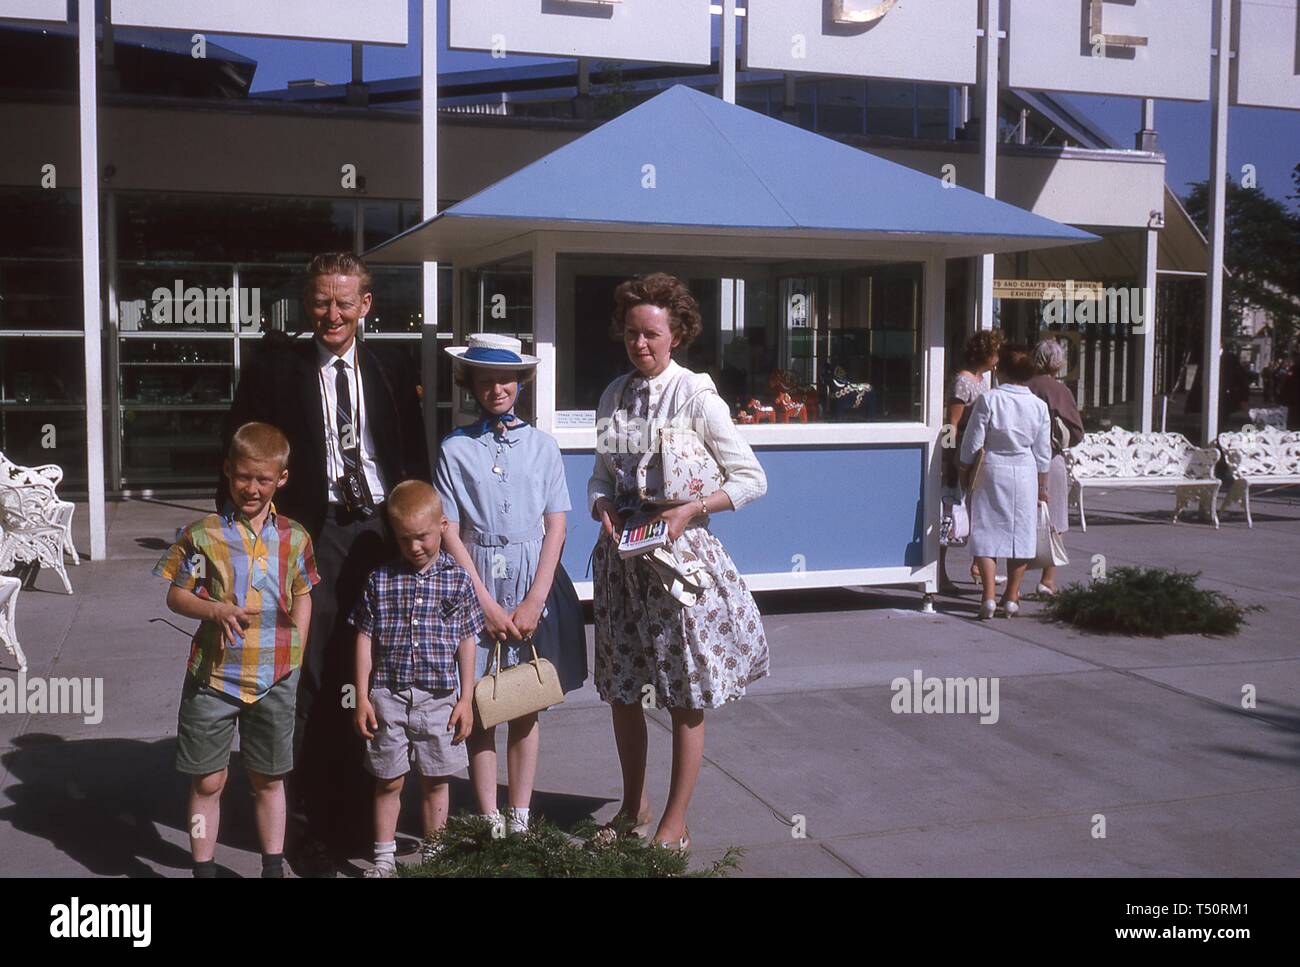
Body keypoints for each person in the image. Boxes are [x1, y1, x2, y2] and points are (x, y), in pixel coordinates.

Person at [222, 252, 430, 874]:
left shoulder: (392, 366)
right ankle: (308, 822)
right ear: (306, 302)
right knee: (311, 675)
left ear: (367, 305)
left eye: (345, 302)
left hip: (381, 535)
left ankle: (371, 813)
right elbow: (235, 459)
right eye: (321, 302)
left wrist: (423, 535)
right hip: (314, 535)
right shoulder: (274, 369)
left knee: (376, 676)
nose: (332, 315)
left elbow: (413, 456)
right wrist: (241, 548)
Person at [588, 273, 769, 850]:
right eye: (632, 333)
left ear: (677, 335)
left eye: (652, 335)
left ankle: (675, 820)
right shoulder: (614, 396)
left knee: (683, 692)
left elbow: (751, 480)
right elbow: (600, 473)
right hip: (623, 562)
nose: (640, 344)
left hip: (678, 563)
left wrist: (690, 509)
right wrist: (600, 504)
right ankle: (632, 805)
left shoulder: (696, 396)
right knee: (623, 689)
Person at [434, 333, 587, 833]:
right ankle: (488, 817)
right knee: (479, 700)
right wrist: (482, 602)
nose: (496, 387)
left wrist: (533, 600)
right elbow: (449, 530)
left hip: (529, 576)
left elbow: (557, 525)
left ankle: (520, 815)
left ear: (519, 381)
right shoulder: (455, 448)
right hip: (476, 573)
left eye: (505, 378)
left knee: (523, 698)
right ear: (471, 383)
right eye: (485, 379)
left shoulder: (543, 446)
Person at [155, 422, 319, 878]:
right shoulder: (202, 534)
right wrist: (213, 611)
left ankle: (272, 868)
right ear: (227, 471)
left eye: (263, 480)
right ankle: (203, 870)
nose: (251, 488)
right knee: (209, 779)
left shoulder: (296, 537)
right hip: (214, 677)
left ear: (281, 479)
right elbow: (175, 595)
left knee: (269, 779)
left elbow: (304, 591)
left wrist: (298, 648)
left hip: (275, 677)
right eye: (242, 476)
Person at [350, 480, 483, 878]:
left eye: (423, 537)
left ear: (442, 525)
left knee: (435, 781)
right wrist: (361, 695)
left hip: (439, 699)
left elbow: (467, 641)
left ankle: (436, 859)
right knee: (389, 780)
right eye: (405, 539)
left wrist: (466, 698)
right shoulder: (381, 580)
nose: (415, 547)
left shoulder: (457, 580)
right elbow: (363, 638)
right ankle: (384, 860)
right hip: (387, 696)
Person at [959, 344, 1051, 620]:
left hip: (992, 468)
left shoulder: (990, 399)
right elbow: (1043, 453)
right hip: (1025, 470)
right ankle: (1011, 597)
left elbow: (973, 441)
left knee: (986, 531)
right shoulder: (1039, 406)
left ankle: (988, 596)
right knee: (1021, 533)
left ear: (1003, 372)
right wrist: (1043, 487)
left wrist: (963, 469)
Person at [940, 329, 1003, 592]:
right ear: (985, 353)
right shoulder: (964, 381)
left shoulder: (983, 380)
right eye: (996, 351)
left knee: (978, 512)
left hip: (977, 453)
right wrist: (948, 456)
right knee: (949, 515)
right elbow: (951, 423)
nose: (998, 357)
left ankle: (980, 564)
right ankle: (940, 572)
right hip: (962, 452)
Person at [1027, 338, 1085, 596]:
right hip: (1051, 458)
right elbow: (1077, 432)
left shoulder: (1023, 386)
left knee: (1022, 520)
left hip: (1022, 459)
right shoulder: (1061, 391)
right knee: (1056, 519)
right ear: (1057, 363)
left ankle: (1013, 587)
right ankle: (1047, 579)